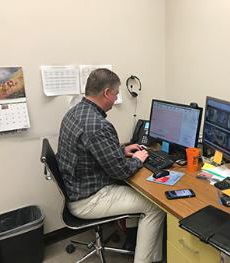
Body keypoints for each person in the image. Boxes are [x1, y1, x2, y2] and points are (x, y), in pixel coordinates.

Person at [57, 68, 165, 263]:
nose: (115, 100)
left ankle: (135, 242)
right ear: (106, 93)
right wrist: (138, 159)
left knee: (140, 193)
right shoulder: (98, 125)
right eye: (115, 94)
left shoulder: (74, 113)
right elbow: (121, 171)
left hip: (76, 189)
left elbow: (89, 152)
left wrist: (121, 151)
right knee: (155, 206)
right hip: (88, 200)